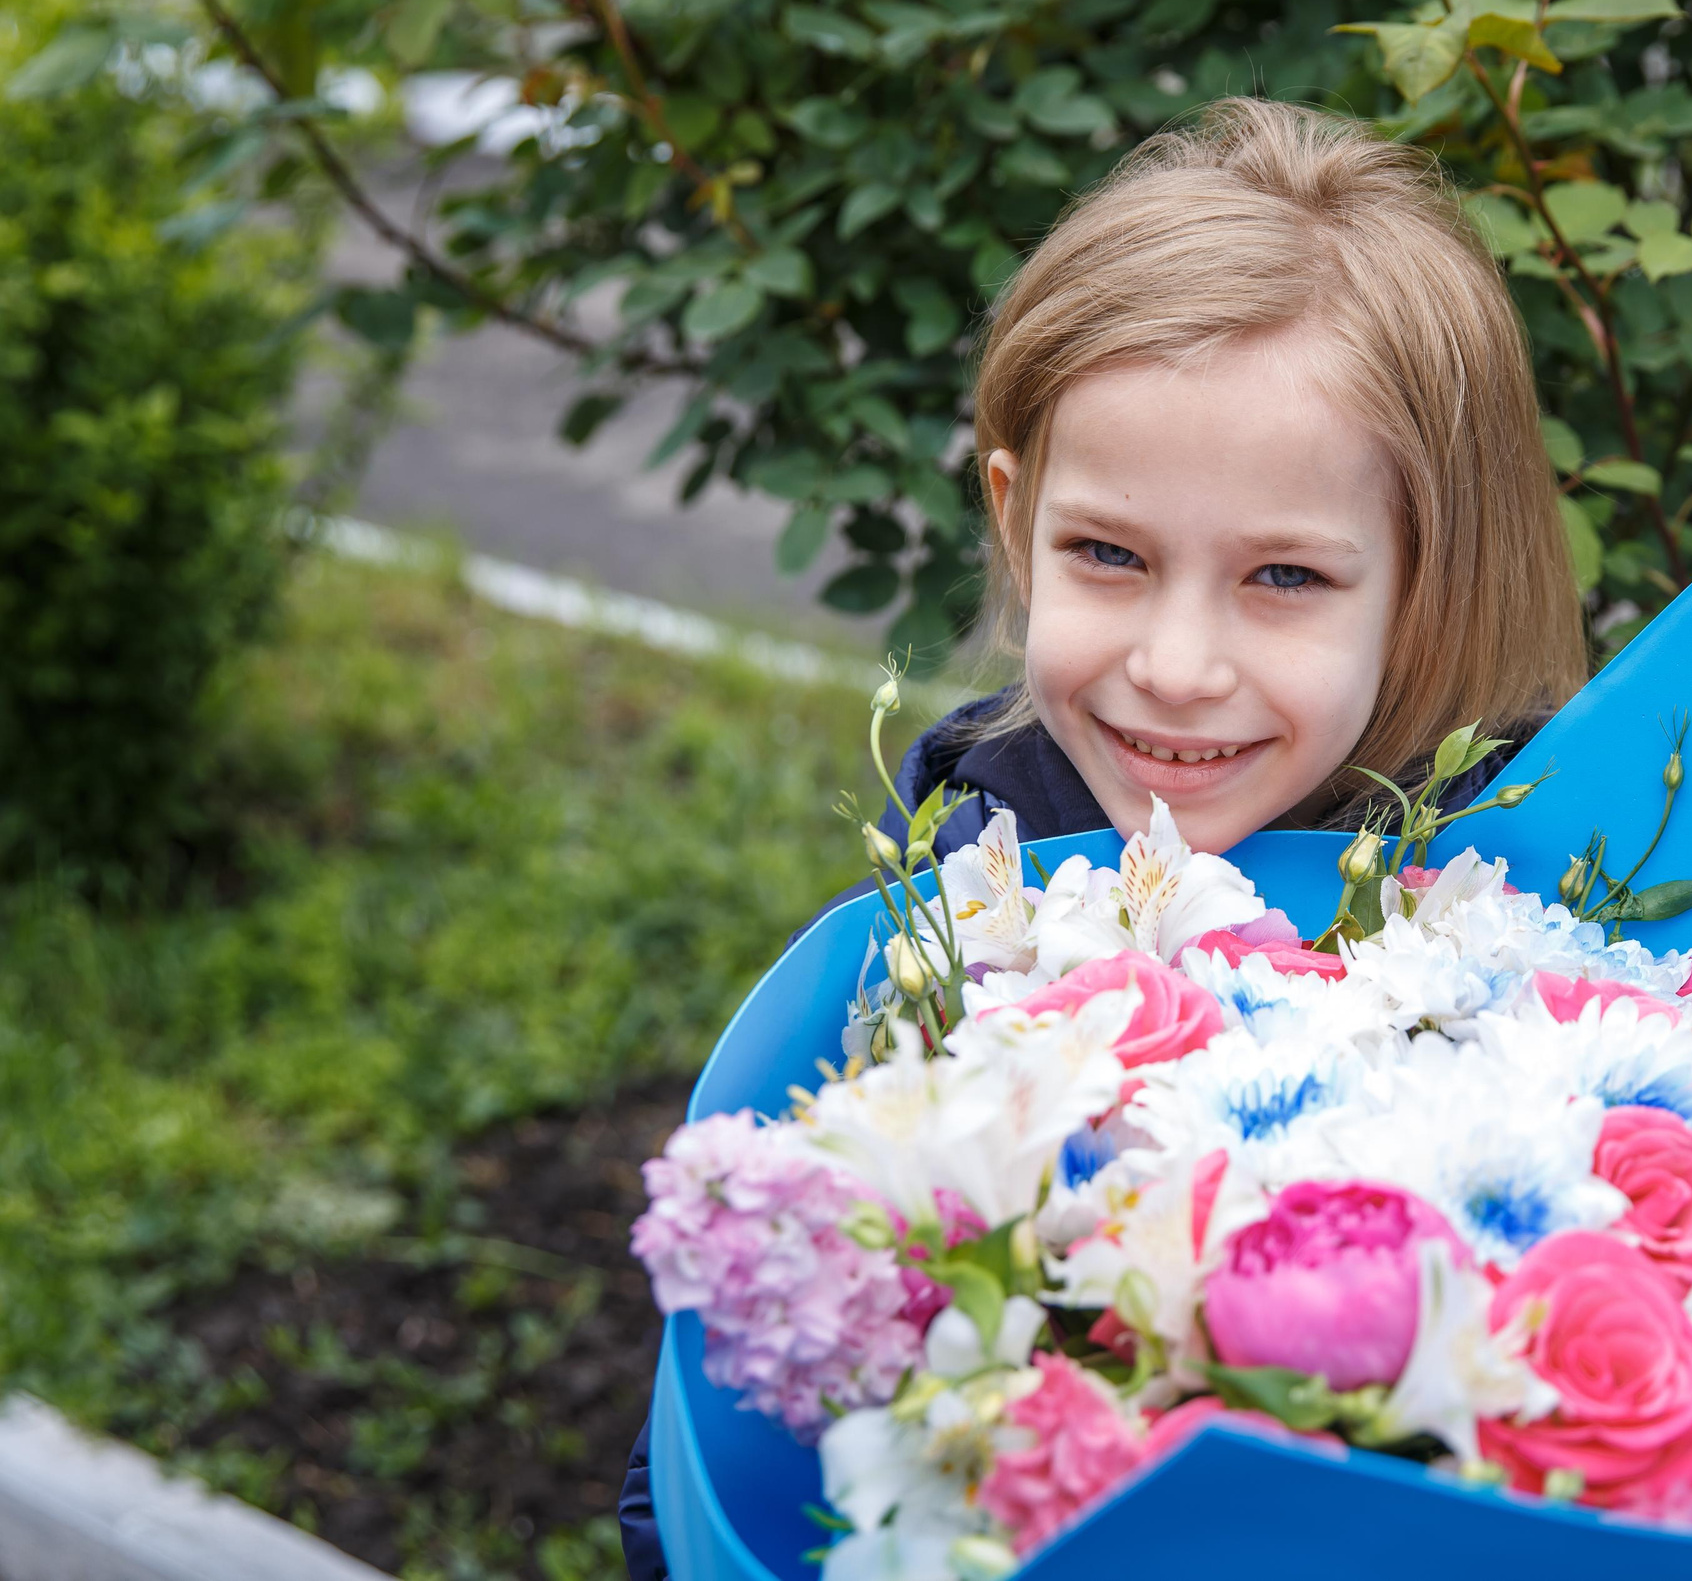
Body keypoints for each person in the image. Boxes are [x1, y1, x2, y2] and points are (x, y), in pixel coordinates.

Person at [618, 96, 1588, 1579]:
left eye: (1282, 575)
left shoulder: (1546, 910)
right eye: (1110, 556)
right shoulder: (968, 861)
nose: (1179, 664)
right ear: (1018, 522)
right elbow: (754, 1376)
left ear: (1431, 575)